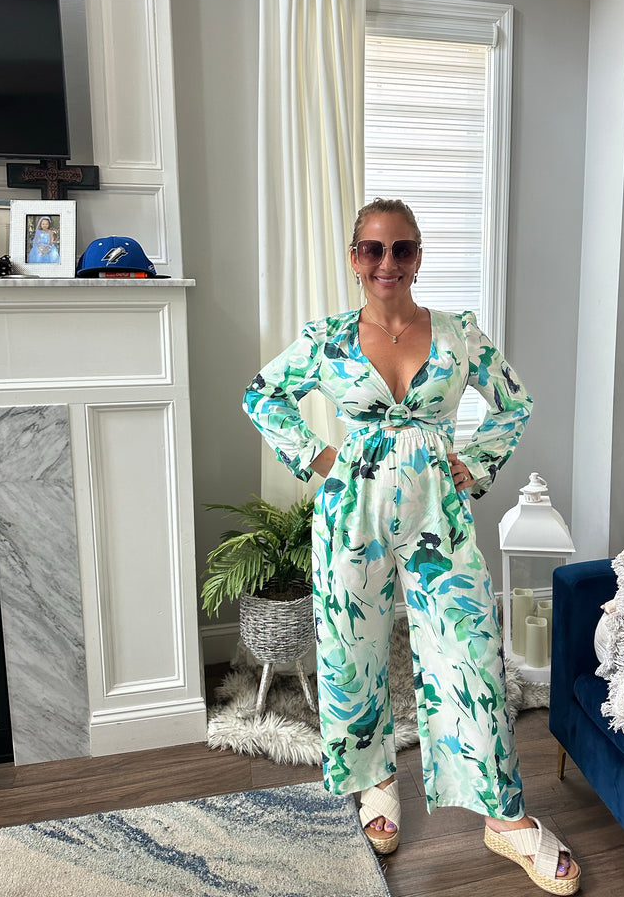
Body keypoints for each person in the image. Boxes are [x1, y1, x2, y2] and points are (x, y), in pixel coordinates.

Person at [243, 198, 580, 895]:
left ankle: (505, 817)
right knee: (352, 651)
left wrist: (476, 465)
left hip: (437, 510)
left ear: (418, 256)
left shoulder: (458, 334)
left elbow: (514, 402)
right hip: (351, 512)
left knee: (469, 654)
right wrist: (318, 457)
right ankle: (376, 784)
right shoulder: (328, 339)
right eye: (372, 249)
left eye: (401, 249)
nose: (386, 262)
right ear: (354, 257)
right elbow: (262, 395)